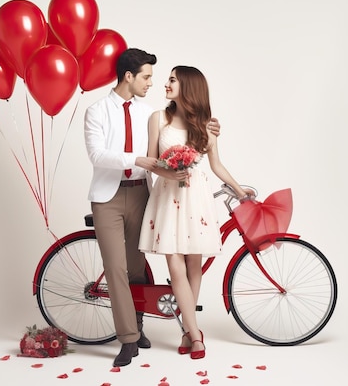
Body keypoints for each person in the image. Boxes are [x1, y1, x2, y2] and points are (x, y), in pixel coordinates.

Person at [83, 49, 220, 367]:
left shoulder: (150, 113)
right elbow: (97, 154)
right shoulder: (97, 111)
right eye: (146, 77)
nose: (151, 83)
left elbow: (184, 125)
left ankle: (143, 326)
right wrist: (137, 160)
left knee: (136, 268)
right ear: (128, 76)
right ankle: (128, 339)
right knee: (116, 268)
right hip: (108, 195)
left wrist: (211, 129)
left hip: (144, 194)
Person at [138, 65, 253, 360]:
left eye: (172, 80)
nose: (166, 84)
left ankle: (187, 331)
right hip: (167, 198)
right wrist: (167, 170)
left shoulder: (207, 126)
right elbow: (150, 161)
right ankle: (195, 334)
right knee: (175, 266)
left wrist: (240, 190)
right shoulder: (158, 119)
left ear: (188, 87)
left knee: (193, 266)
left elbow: (216, 165)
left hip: (196, 199)